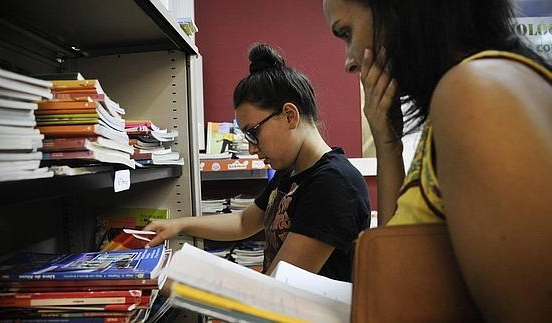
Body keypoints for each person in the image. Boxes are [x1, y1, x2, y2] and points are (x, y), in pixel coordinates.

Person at [323, 0, 552, 321]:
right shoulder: (476, 88)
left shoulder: (473, 92)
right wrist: (388, 145)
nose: (349, 62)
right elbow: (398, 264)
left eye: (346, 33)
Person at [145, 43, 371, 282]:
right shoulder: (291, 172)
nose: (252, 148)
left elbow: (280, 287)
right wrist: (178, 225)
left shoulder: (333, 184)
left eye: (253, 133)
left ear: (289, 115)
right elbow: (244, 222)